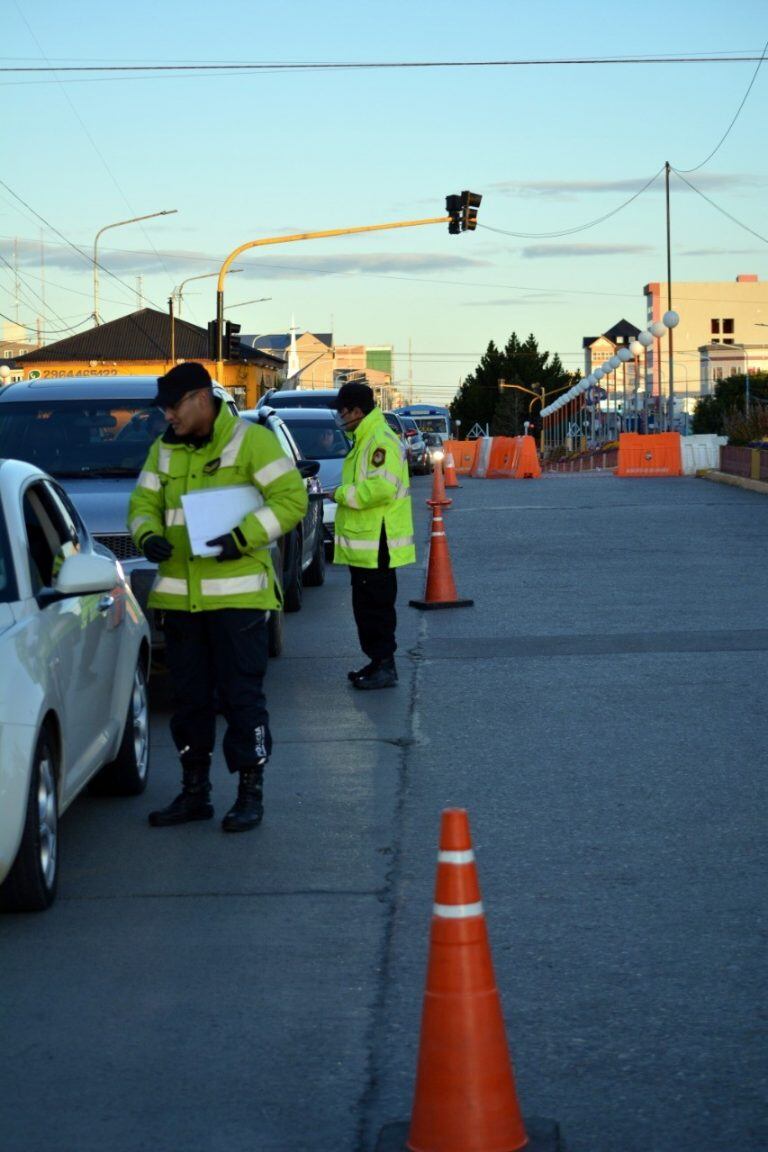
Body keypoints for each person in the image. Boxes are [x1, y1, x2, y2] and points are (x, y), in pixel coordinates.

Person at [127, 362, 307, 832]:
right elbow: (142, 505)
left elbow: (292, 499)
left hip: (239, 601)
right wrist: (146, 537)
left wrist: (243, 536)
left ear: (201, 398)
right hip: (181, 603)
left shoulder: (251, 441)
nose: (167, 416)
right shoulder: (163, 452)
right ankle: (195, 793)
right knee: (189, 705)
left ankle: (250, 793)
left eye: (173, 406)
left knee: (241, 699)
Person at [328, 382, 415, 690]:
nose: (340, 418)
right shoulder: (364, 439)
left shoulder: (379, 441)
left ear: (357, 411)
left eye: (343, 412)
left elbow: (380, 488)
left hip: (378, 541)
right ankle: (377, 662)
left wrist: (338, 494)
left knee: (376, 608)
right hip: (367, 543)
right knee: (366, 607)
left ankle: (384, 665)